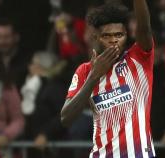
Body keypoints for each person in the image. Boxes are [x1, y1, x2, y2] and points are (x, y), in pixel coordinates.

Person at [61, 0, 155, 157]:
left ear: (127, 35)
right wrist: (94, 77)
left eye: (119, 35)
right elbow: (66, 118)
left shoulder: (139, 58)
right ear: (96, 37)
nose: (114, 40)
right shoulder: (85, 71)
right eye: (106, 36)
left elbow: (144, 27)